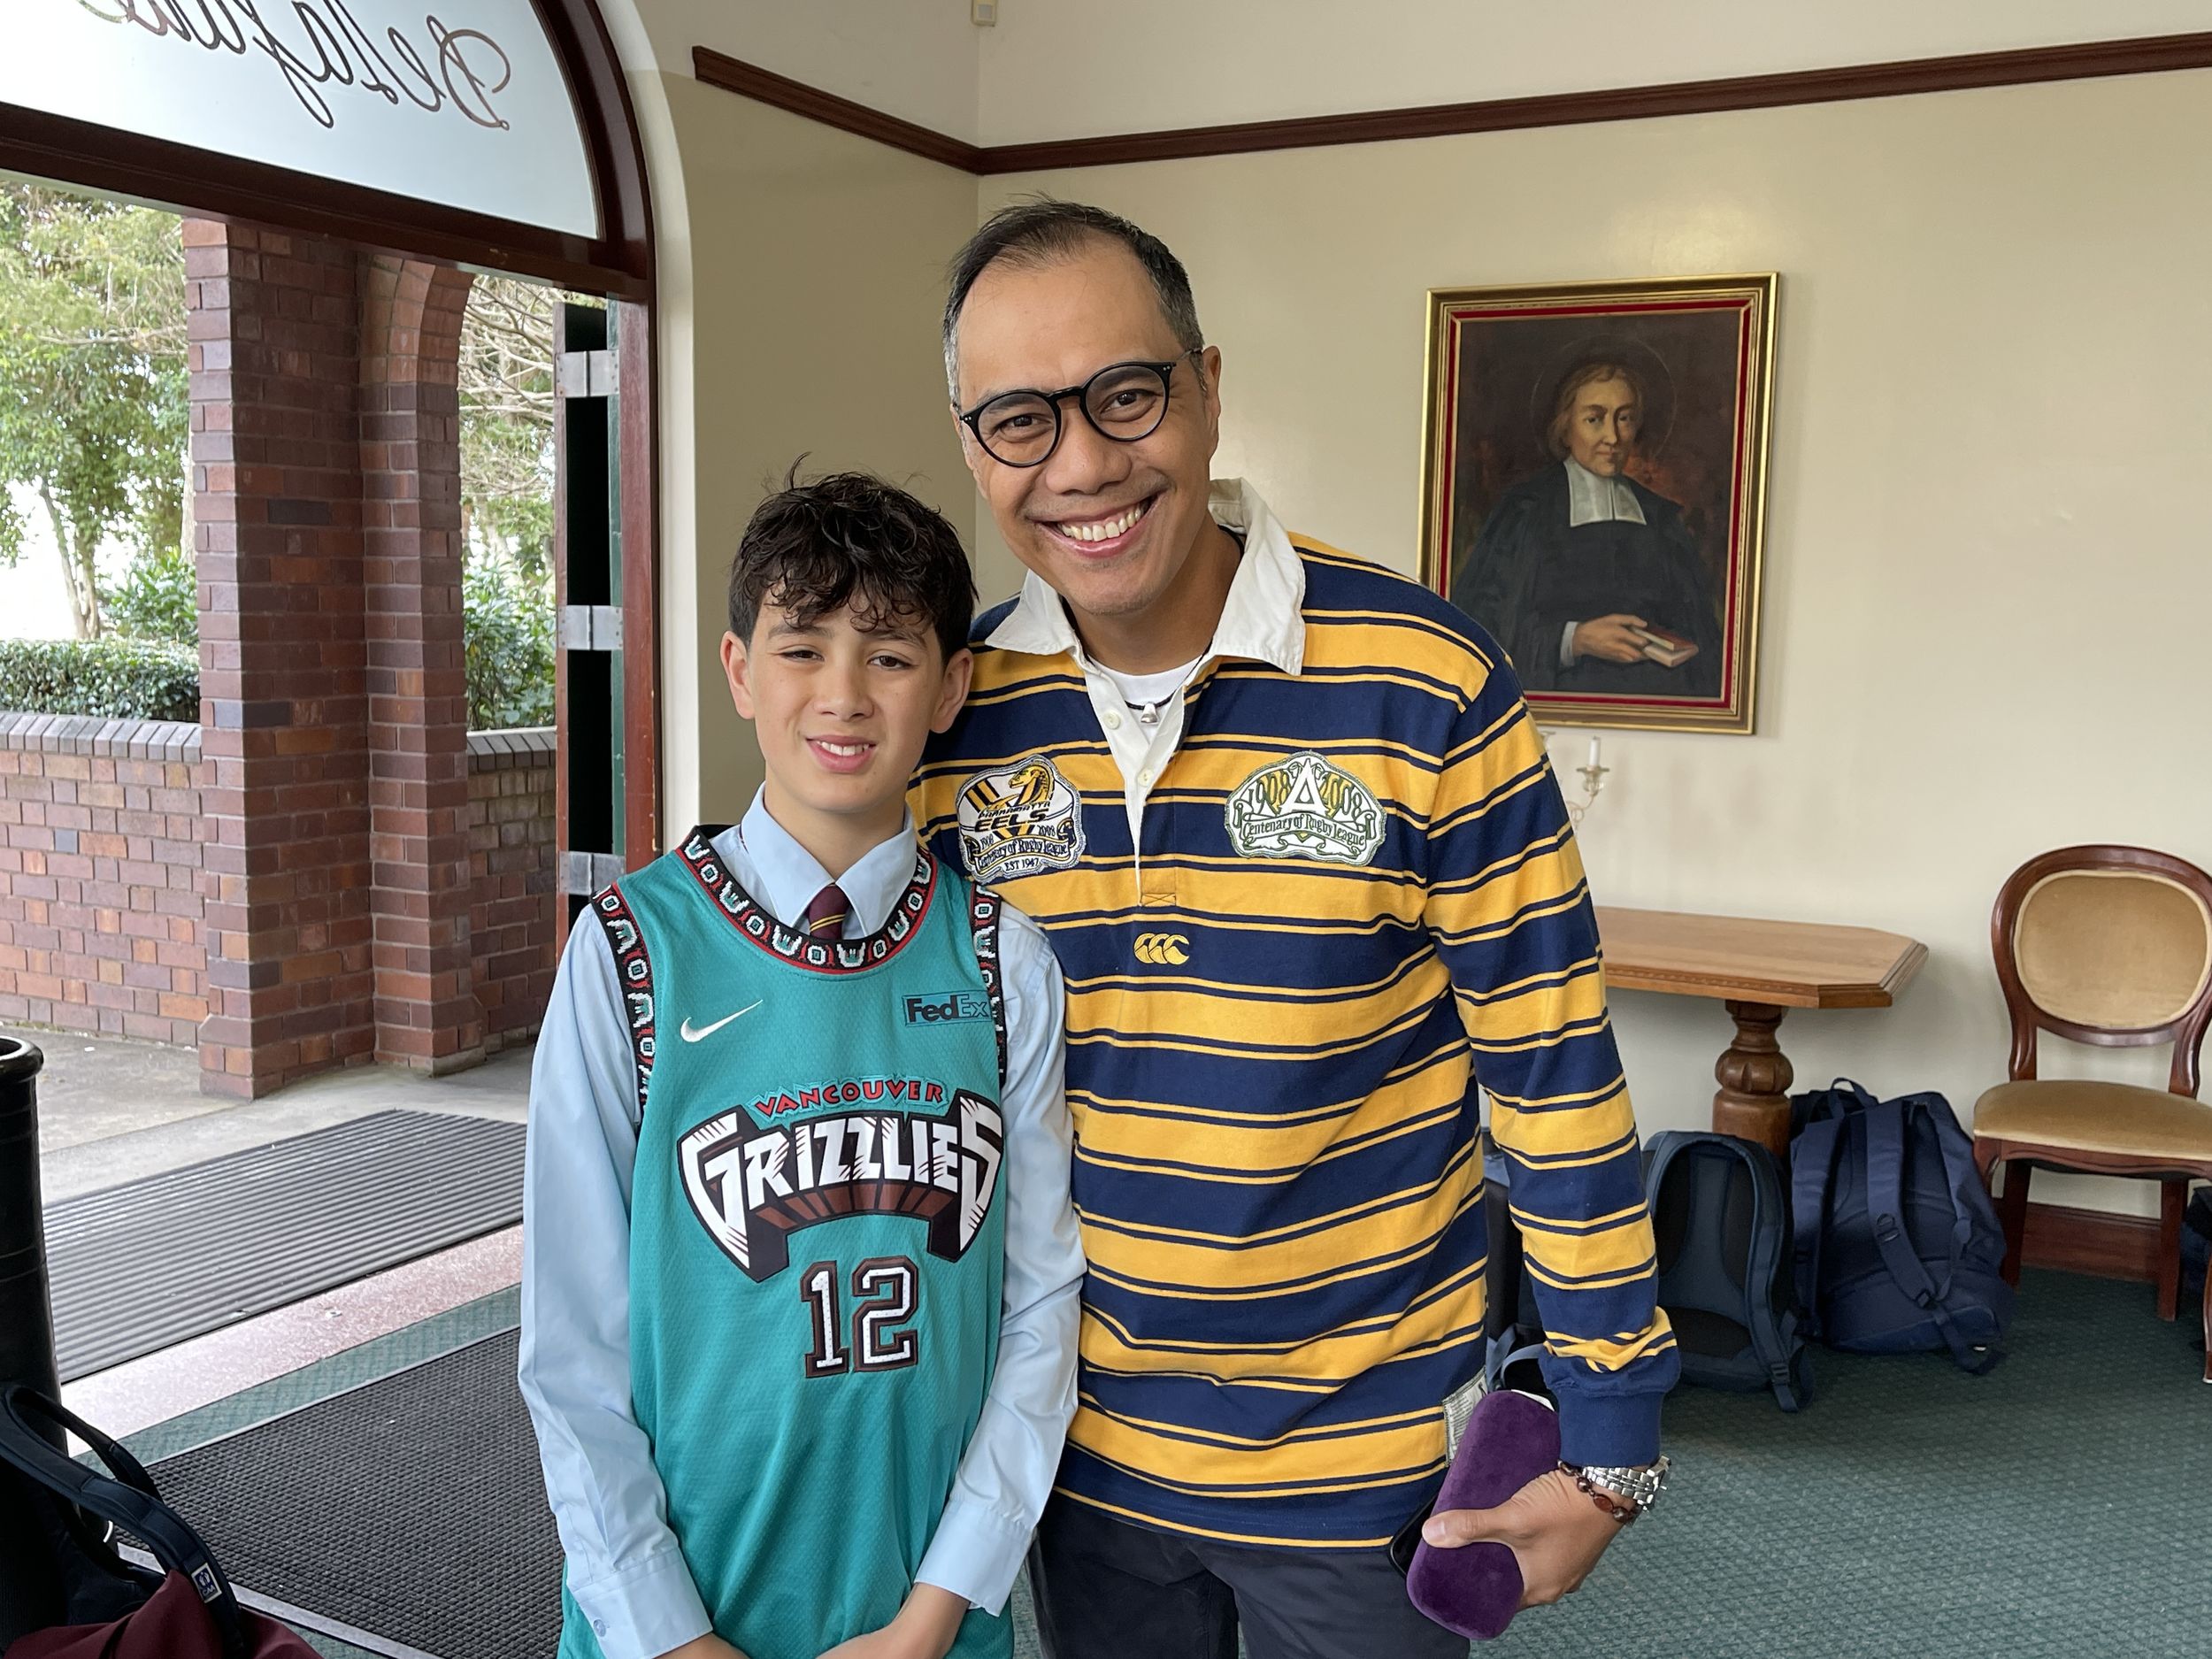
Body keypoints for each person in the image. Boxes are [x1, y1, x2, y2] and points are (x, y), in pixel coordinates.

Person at [914, 201, 1679, 1659]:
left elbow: (1552, 1070)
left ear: (1206, 387)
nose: (1079, 464)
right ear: (973, 445)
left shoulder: (1427, 679)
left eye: (1124, 395)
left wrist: (1612, 1429)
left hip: (1369, 1471)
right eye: (1020, 419)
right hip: (1071, 1456)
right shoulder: (953, 715)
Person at [519, 472, 1084, 1659]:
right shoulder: (629, 952)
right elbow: (572, 1350)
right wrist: (667, 1633)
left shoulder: (1004, 962)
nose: (843, 693)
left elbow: (1039, 1308)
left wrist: (936, 1611)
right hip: (673, 1616)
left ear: (950, 686)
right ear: (739, 671)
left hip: (927, 1612)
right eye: (801, 648)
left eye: (889, 655)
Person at [1450, 359, 1723, 697]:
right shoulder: (1524, 511)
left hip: (1655, 702)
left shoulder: (1661, 519)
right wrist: (1574, 640)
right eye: (1595, 419)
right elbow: (1477, 628)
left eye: (1624, 418)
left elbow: (1704, 637)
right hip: (1556, 700)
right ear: (1565, 428)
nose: (1613, 437)